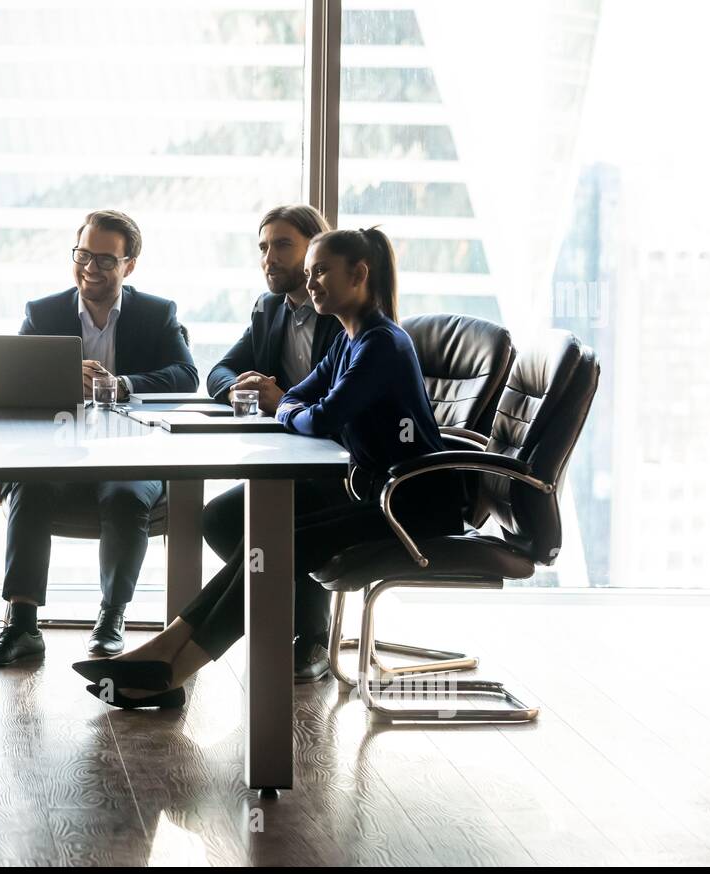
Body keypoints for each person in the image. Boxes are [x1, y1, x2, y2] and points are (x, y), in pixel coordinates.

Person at [71, 227, 465, 708]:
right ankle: (165, 654)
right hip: (370, 490)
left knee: (278, 547)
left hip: (413, 504)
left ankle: (172, 668)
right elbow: (302, 399)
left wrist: (282, 405)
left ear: (359, 274)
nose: (311, 280)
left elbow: (319, 416)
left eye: (322, 270)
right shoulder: (349, 339)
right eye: (311, 271)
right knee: (247, 529)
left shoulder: (382, 344)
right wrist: (287, 404)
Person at [0, 209, 199, 665]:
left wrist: (121, 385)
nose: (90, 268)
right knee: (27, 483)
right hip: (57, 453)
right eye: (83, 255)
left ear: (129, 266)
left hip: (132, 451)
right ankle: (22, 623)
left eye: (105, 260)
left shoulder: (156, 313)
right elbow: (9, 380)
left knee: (125, 494)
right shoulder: (42, 311)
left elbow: (187, 376)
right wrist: (64, 378)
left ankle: (111, 617)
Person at [203, 204, 349, 681]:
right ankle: (289, 621)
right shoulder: (269, 310)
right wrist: (238, 387)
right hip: (291, 457)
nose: (269, 257)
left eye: (283, 244)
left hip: (344, 468)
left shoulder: (344, 315)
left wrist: (282, 399)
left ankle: (311, 638)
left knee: (286, 522)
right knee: (220, 519)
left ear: (316, 250)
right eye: (263, 247)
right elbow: (217, 371)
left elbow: (348, 405)